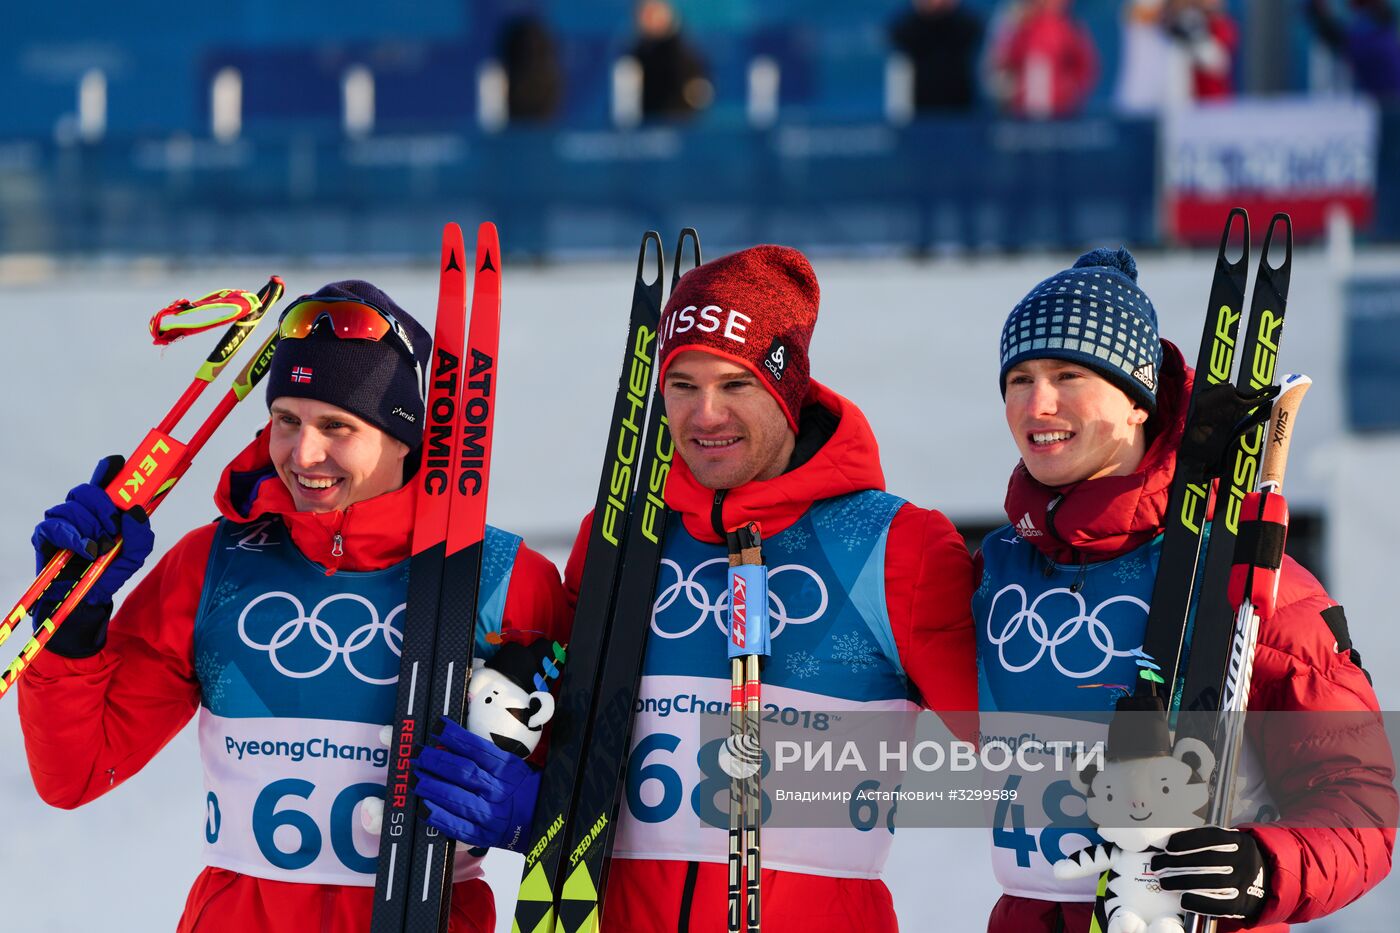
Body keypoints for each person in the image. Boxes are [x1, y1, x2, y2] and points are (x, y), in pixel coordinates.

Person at [420, 245, 979, 930]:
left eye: (735, 384)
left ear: (786, 387)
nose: (704, 414)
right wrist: (531, 801)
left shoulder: (894, 545)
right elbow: (574, 738)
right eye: (682, 385)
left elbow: (1026, 758)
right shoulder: (619, 538)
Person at [18, 281, 569, 933]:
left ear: (404, 437)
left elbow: (600, 812)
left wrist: (534, 814)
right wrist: (70, 629)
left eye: (337, 425)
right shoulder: (212, 566)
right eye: (287, 419)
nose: (303, 454)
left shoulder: (504, 579)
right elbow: (75, 771)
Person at [973, 248, 1396, 931]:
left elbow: (1358, 801)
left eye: (1068, 375)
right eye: (1018, 378)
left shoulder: (1250, 575)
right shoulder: (996, 568)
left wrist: (1264, 868)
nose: (1035, 402)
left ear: (1138, 401)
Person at [990, 0, 1099, 118]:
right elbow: (1003, 64)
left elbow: (1086, 67)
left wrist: (1070, 92)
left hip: (1060, 112)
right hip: (1022, 111)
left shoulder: (1071, 28)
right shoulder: (1017, 26)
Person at [888, 0, 986, 113]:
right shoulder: (906, 26)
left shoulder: (967, 23)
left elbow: (976, 29)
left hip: (961, 106)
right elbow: (896, 35)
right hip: (921, 107)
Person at [629, 0, 712, 118]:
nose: (650, 19)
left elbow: (695, 97)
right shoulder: (635, 54)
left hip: (676, 125)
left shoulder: (684, 54)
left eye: (654, 13)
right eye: (646, 14)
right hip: (645, 128)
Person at [1306, 0, 1400, 101]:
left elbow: (1339, 38)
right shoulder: (1383, 28)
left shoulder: (1367, 33)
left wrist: (1319, 13)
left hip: (1389, 101)